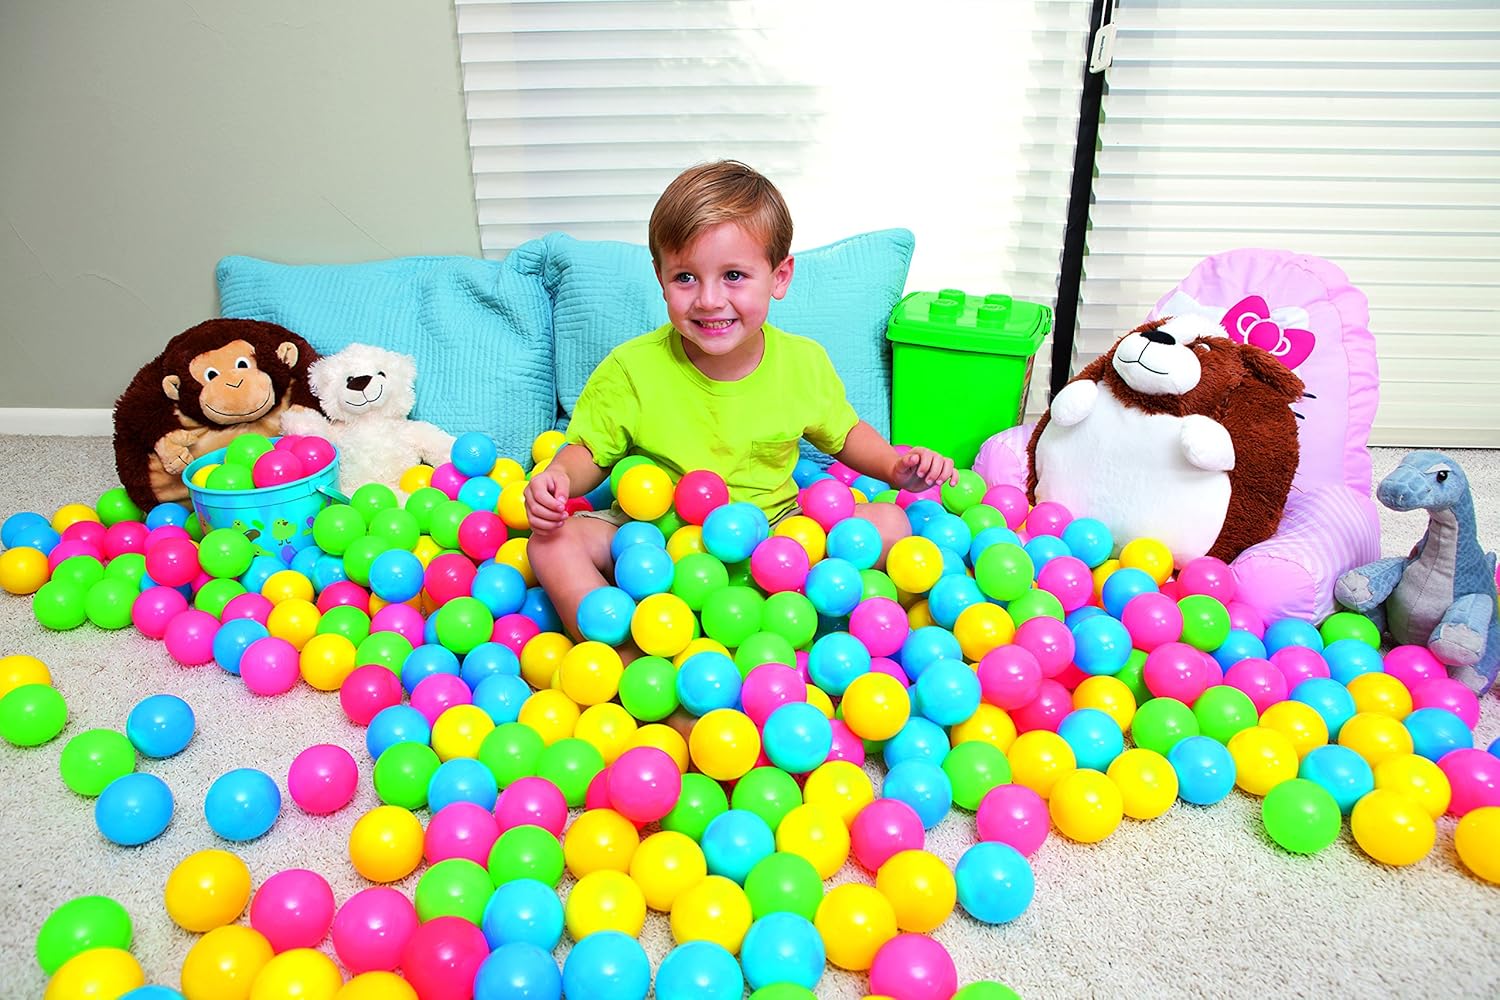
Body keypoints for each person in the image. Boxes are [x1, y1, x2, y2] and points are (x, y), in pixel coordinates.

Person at [524, 160, 955, 645]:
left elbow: (845, 433)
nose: (709, 300)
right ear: (660, 276)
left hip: (779, 534)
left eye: (733, 275)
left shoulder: (802, 363)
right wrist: (559, 477)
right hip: (657, 539)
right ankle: (621, 654)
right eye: (685, 277)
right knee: (550, 544)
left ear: (779, 277)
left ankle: (825, 630)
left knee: (891, 522)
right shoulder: (631, 369)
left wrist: (894, 467)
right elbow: (590, 450)